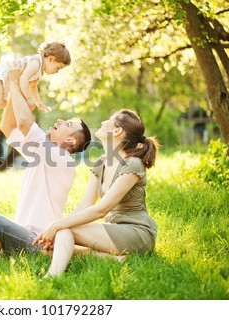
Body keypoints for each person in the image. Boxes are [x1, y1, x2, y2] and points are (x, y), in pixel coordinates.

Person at [0, 60, 91, 262]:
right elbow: (8, 126)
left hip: (36, 241)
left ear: (70, 140)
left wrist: (16, 82)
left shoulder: (62, 160)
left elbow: (24, 122)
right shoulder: (40, 153)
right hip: (16, 234)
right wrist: (13, 91)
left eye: (67, 124)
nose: (59, 121)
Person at [33, 109, 159, 277]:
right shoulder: (101, 163)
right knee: (54, 247)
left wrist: (57, 225)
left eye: (108, 120)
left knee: (64, 232)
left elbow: (101, 210)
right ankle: (111, 259)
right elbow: (85, 205)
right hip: (113, 229)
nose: (102, 123)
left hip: (136, 232)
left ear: (117, 131)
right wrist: (59, 225)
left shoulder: (133, 164)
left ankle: (52, 277)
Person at [0, 42, 71, 119]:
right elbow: (23, 79)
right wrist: (29, 98)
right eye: (58, 68)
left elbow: (33, 86)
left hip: (5, 81)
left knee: (2, 104)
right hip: (0, 75)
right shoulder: (36, 62)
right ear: (51, 59)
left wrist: (38, 101)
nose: (57, 72)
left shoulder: (40, 71)